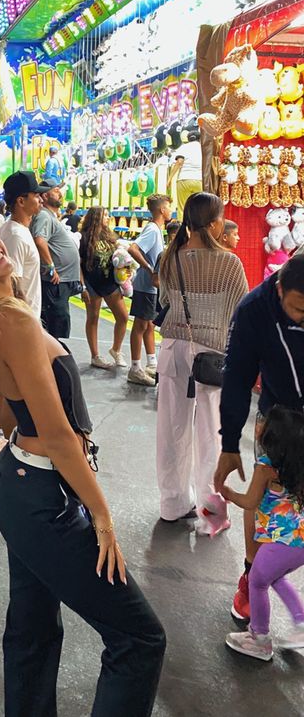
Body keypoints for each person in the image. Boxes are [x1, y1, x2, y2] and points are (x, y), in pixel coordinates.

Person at [0, 219, 166, 716]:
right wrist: (102, 515)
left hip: (23, 483)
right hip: (42, 496)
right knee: (139, 638)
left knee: (32, 628)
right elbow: (58, 436)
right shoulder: (10, 319)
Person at [214, 256, 304, 623]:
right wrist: (229, 444)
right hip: (279, 420)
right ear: (280, 289)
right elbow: (236, 378)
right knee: (264, 500)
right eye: (299, 308)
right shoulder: (253, 310)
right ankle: (253, 575)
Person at [156, 191, 248, 525]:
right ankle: (212, 513)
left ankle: (173, 504)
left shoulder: (171, 256)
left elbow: (166, 298)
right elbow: (242, 310)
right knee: (212, 435)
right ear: (213, 223)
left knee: (171, 429)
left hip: (172, 349)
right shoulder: (229, 262)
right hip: (210, 354)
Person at [222, 407, 304, 660]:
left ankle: (259, 638)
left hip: (282, 540)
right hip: (298, 540)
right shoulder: (296, 465)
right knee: (276, 579)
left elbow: (250, 501)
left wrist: (228, 493)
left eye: (263, 423)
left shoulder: (265, 467)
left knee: (257, 581)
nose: (258, 426)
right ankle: (301, 625)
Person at [126, 194, 172, 387]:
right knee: (140, 326)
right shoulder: (153, 230)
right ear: (161, 209)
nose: (171, 210)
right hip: (145, 287)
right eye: (169, 206)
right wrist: (149, 268)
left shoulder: (156, 230)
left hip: (151, 288)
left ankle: (151, 362)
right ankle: (135, 368)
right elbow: (133, 248)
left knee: (149, 325)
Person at [30, 178, 81, 339]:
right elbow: (39, 240)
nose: (60, 194)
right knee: (55, 328)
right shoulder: (44, 216)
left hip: (60, 281)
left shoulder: (50, 216)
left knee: (58, 325)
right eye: (56, 190)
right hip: (55, 282)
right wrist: (51, 267)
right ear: (45, 196)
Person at [79, 206, 128, 370]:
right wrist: (82, 286)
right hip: (92, 283)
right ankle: (95, 355)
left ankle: (116, 349)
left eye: (108, 215)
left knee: (123, 316)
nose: (108, 218)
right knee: (92, 318)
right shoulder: (84, 238)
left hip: (110, 283)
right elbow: (78, 263)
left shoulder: (110, 236)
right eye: (105, 215)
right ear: (96, 217)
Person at [0, 171, 45, 318]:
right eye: (36, 196)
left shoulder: (19, 230)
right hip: (22, 322)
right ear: (21, 201)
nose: (41, 200)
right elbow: (12, 286)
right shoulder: (15, 236)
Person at [167, 136, 202, 215]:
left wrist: (169, 179)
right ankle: (198, 226)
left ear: (188, 139)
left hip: (184, 179)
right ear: (199, 139)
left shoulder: (183, 147)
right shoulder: (203, 147)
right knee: (199, 206)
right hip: (199, 180)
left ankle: (183, 226)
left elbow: (179, 162)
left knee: (183, 207)